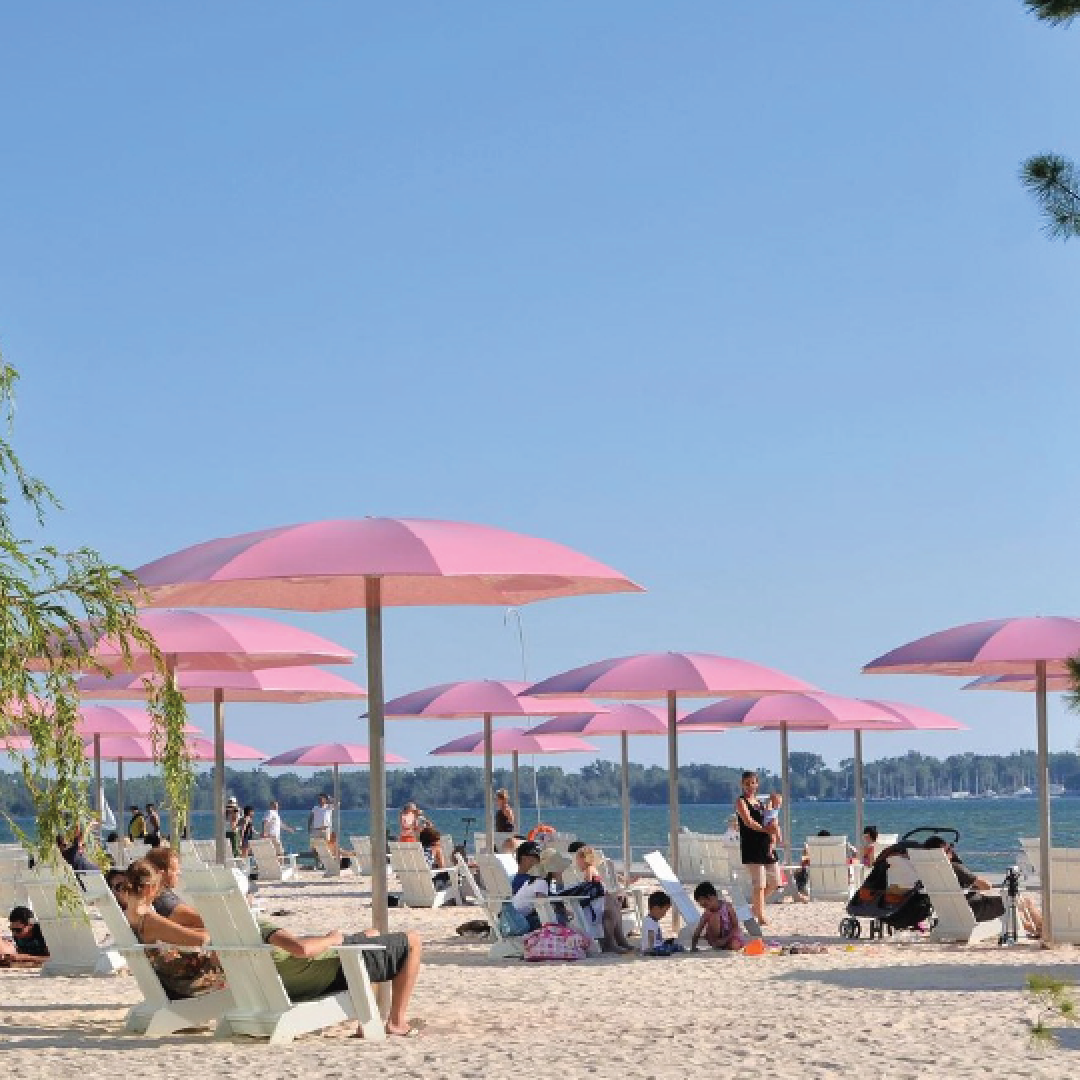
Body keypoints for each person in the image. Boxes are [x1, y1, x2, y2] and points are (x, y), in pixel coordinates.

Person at [923, 836, 1008, 923]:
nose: (952, 850)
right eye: (949, 848)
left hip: (948, 912)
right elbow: (986, 886)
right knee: (1011, 900)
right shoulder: (955, 867)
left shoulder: (926, 870)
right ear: (942, 851)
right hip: (974, 908)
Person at [734, 771, 780, 925]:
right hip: (751, 846)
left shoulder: (760, 803)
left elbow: (770, 818)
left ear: (757, 784)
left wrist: (774, 833)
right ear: (742, 784)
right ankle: (760, 916)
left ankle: (755, 908)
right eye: (747, 783)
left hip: (765, 845)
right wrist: (766, 830)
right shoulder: (741, 802)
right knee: (759, 885)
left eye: (753, 783)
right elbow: (748, 822)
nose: (750, 786)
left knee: (775, 883)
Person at [572, 844, 632, 953]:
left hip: (593, 904)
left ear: (583, 859)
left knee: (613, 907)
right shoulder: (591, 869)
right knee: (612, 907)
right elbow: (589, 888)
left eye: (577, 860)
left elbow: (589, 887)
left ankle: (617, 941)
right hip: (592, 906)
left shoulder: (589, 869)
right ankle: (615, 942)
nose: (576, 863)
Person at [144, 847, 205, 929]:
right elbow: (203, 921)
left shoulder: (153, 894)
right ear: (162, 873)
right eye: (175, 869)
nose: (179, 873)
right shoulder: (163, 901)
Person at [691, 881, 746, 951]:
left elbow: (736, 927)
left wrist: (725, 940)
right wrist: (693, 947)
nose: (705, 907)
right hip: (715, 939)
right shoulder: (707, 913)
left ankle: (724, 946)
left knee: (735, 945)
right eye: (703, 906)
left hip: (730, 935)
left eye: (706, 904)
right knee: (715, 916)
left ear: (713, 897)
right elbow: (698, 931)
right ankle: (719, 945)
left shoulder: (728, 907)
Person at [762, 793, 782, 857]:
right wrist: (770, 801)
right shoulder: (770, 807)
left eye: (780, 804)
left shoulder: (776, 809)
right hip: (768, 823)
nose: (779, 805)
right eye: (778, 803)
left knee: (773, 840)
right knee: (777, 827)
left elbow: (776, 817)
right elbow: (767, 807)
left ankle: (770, 852)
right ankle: (779, 839)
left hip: (770, 824)